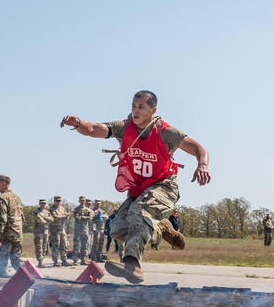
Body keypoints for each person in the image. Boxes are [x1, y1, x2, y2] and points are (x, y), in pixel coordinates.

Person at [61, 90, 210, 283]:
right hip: (139, 190)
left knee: (138, 212)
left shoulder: (165, 131)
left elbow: (197, 148)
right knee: (117, 229)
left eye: (141, 107)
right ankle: (160, 229)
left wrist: (202, 164)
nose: (135, 111)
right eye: (133, 106)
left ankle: (132, 265)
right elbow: (94, 129)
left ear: (152, 110)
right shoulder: (124, 127)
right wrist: (78, 123)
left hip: (164, 186)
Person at [0, 174, 24, 277]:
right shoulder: (17, 197)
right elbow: (22, 217)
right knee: (16, 261)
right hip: (18, 234)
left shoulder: (2, 198)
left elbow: (2, 218)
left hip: (6, 235)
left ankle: (3, 284)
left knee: (1, 263)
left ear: (3, 183)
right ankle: (28, 279)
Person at [48, 195, 71, 266]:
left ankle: (64, 260)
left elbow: (65, 218)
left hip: (62, 229)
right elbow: (55, 217)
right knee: (56, 245)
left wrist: (67, 216)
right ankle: (55, 261)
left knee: (64, 244)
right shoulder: (52, 209)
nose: (58, 202)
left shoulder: (62, 208)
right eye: (57, 201)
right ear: (54, 201)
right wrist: (64, 216)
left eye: (59, 201)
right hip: (55, 230)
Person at [71, 196, 93, 265]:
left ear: (85, 201)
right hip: (78, 230)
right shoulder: (76, 209)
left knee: (85, 245)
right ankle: (75, 260)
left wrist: (83, 217)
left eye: (83, 200)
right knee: (76, 245)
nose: (82, 202)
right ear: (79, 201)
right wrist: (84, 217)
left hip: (85, 230)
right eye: (81, 200)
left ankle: (83, 259)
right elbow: (77, 217)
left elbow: (90, 217)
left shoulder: (88, 210)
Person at [33, 198, 53, 267]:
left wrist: (46, 219)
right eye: (42, 203)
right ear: (39, 204)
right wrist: (46, 220)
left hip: (45, 231)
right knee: (39, 246)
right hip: (38, 232)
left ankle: (42, 260)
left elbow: (52, 219)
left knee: (44, 246)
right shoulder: (36, 211)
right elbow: (39, 220)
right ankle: (40, 261)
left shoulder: (47, 212)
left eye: (44, 203)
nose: (43, 205)